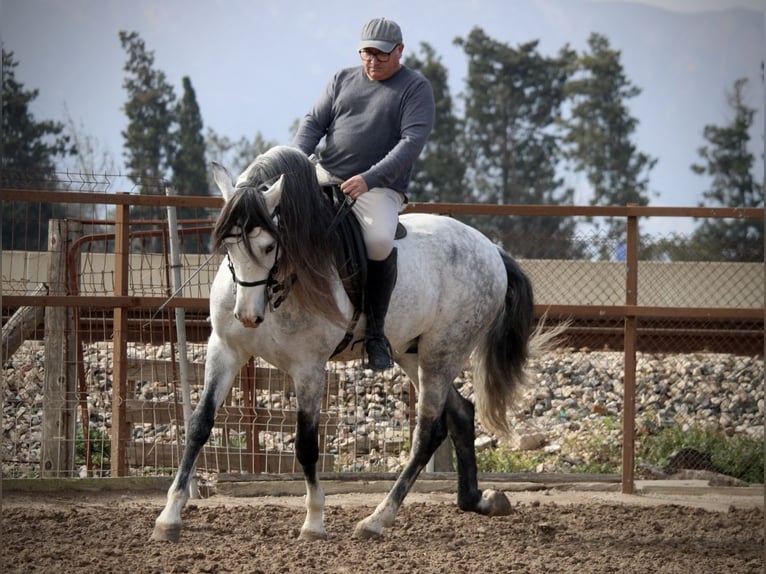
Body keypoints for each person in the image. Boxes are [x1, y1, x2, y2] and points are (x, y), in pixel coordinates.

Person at [293, 17, 435, 371]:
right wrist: (296, 160)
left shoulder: (416, 88)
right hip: (325, 173)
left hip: (379, 187)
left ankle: (374, 333)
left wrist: (370, 179)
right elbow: (313, 123)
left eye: (382, 55)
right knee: (281, 214)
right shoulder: (342, 79)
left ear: (400, 51)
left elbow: (411, 143)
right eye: (366, 53)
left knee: (378, 242)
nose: (373, 61)